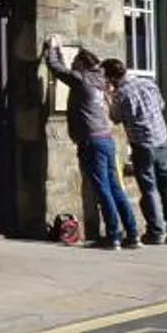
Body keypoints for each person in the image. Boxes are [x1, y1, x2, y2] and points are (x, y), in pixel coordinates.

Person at [46, 38, 140, 248]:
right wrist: (61, 52)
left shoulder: (82, 80)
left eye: (74, 65)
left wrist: (52, 48)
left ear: (80, 64)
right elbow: (63, 69)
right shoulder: (100, 80)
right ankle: (132, 235)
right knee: (115, 189)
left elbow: (57, 69)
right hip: (106, 139)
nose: (72, 68)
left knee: (102, 189)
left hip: (91, 141)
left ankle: (114, 235)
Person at [105, 59, 167, 244]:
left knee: (149, 190)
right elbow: (161, 105)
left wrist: (108, 98)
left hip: (142, 145)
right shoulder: (148, 83)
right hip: (162, 140)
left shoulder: (121, 94)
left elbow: (115, 118)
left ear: (113, 77)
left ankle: (155, 232)